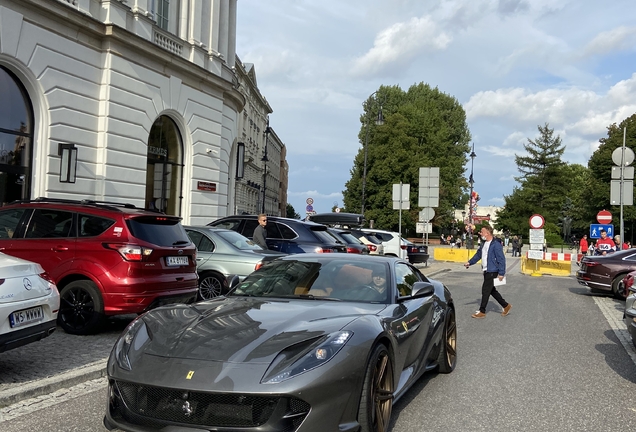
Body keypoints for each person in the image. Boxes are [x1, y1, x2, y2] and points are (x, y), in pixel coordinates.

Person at [464, 225, 512, 319]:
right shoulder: (483, 244)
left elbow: (501, 259)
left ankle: (482, 311)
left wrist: (501, 273)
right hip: (486, 270)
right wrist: (470, 262)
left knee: (485, 290)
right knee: (491, 290)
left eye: (482, 232)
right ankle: (506, 306)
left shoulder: (496, 244)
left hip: (492, 270)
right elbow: (478, 255)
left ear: (487, 233)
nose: (480, 233)